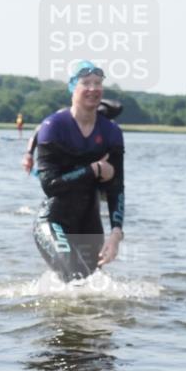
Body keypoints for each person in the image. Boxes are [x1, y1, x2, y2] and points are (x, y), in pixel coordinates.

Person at [32, 61, 124, 280]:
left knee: (93, 285)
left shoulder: (111, 132)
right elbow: (50, 185)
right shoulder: (53, 127)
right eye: (86, 83)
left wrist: (116, 233)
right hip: (54, 221)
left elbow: (116, 187)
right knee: (74, 277)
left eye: (98, 83)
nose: (93, 88)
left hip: (90, 223)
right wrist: (93, 170)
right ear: (72, 87)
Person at [21, 98, 123, 174]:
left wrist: (93, 99)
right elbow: (39, 129)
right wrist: (29, 154)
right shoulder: (63, 116)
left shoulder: (101, 115)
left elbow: (118, 106)